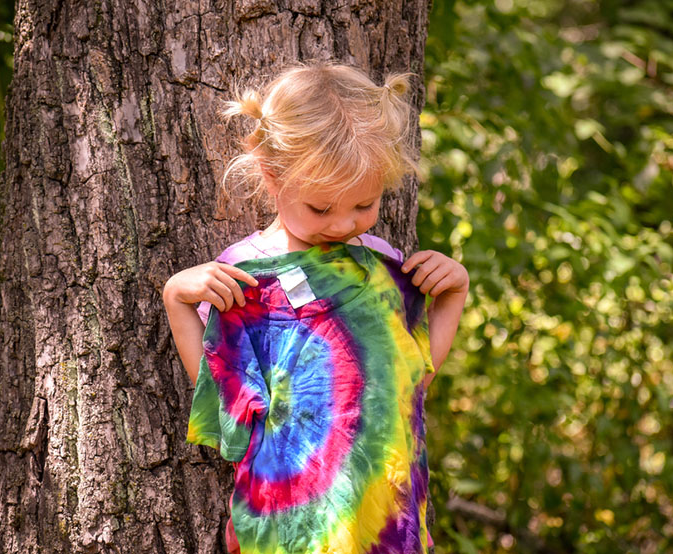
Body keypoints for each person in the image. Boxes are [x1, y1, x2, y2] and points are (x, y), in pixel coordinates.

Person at [163, 63, 469, 554]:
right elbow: (228, 402)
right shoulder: (244, 276)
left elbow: (408, 383)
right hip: (289, 525)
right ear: (270, 174)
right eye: (321, 208)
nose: (342, 224)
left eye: (363, 206)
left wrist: (453, 295)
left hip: (381, 521)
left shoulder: (381, 267)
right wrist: (178, 299)